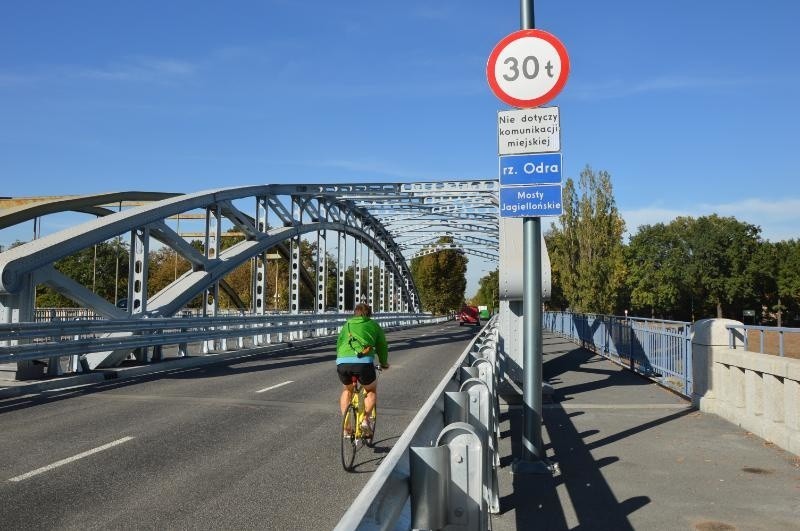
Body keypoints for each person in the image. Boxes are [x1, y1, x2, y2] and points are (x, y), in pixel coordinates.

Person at [336, 303, 389, 436]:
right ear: (369, 314)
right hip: (363, 363)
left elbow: (339, 344)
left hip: (342, 362)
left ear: (355, 313)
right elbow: (382, 345)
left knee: (347, 390)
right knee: (370, 390)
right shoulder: (373, 325)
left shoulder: (346, 325)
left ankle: (346, 427)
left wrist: (342, 359)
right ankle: (365, 420)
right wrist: (384, 363)